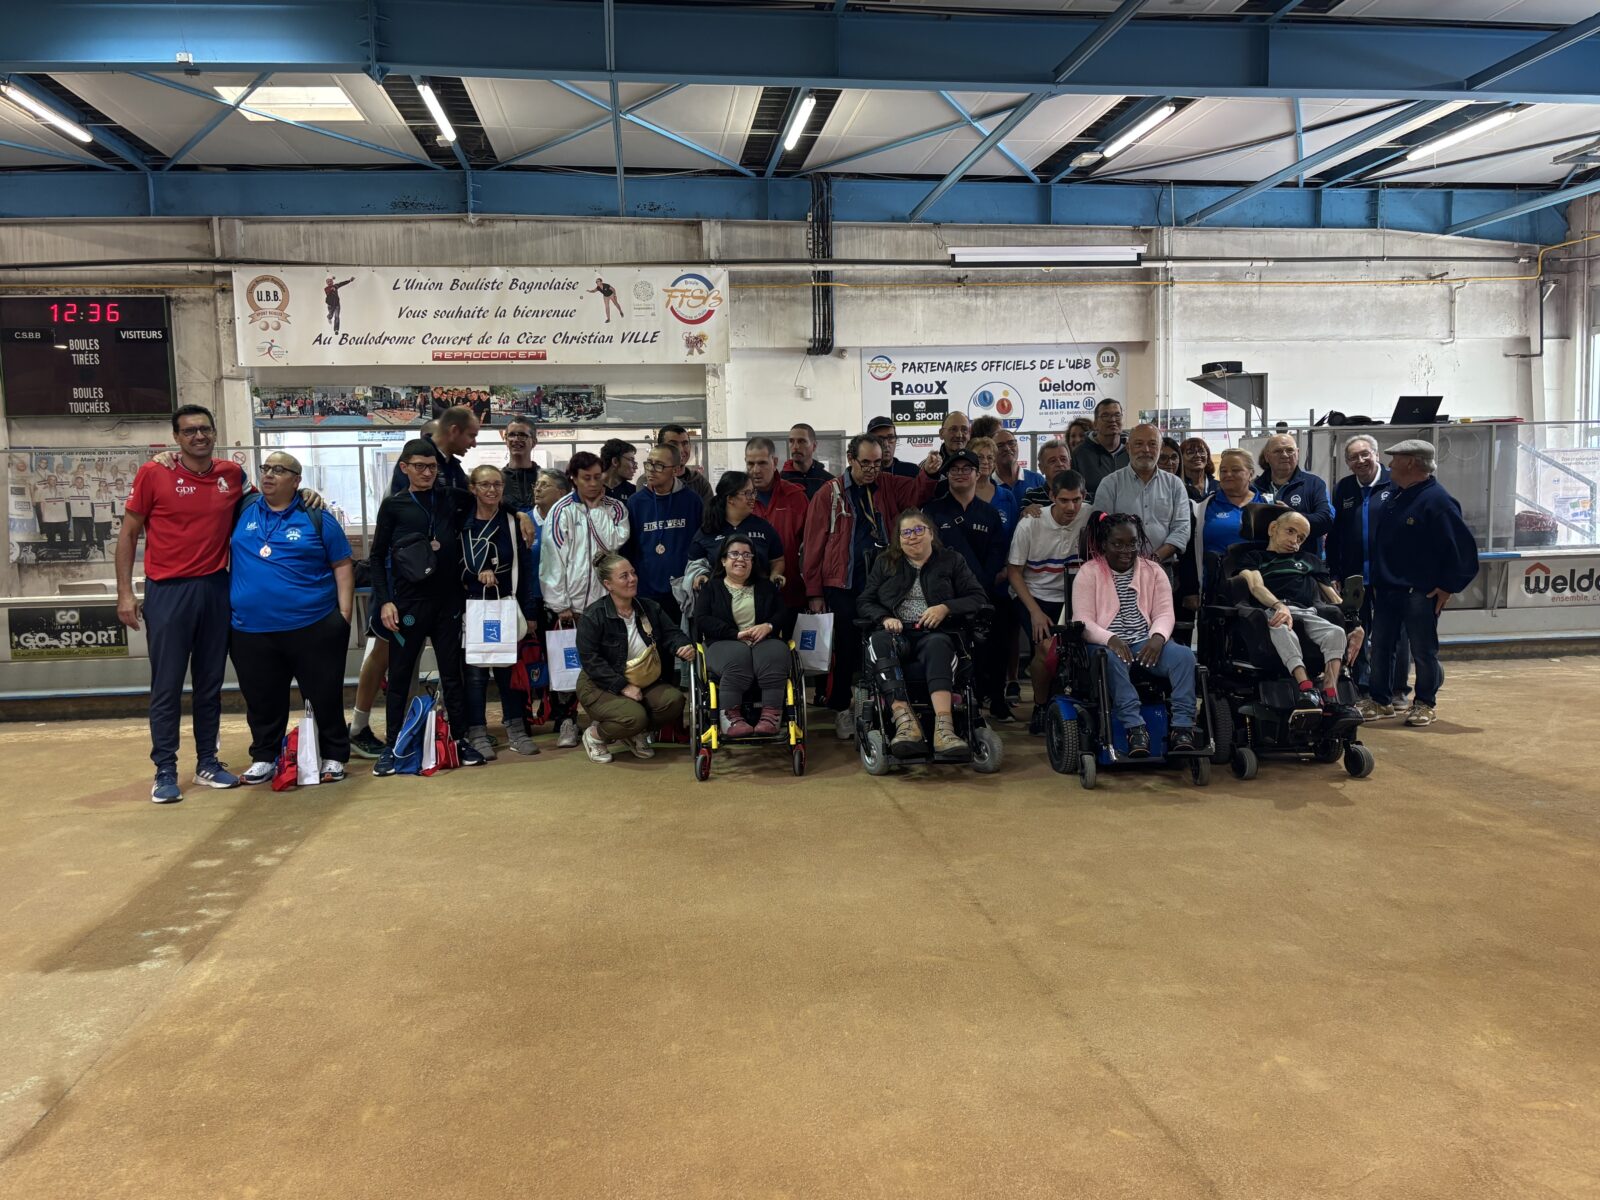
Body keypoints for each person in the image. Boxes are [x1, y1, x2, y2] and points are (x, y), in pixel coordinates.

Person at [117, 405, 249, 802]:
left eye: (205, 429)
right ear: (176, 437)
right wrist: (125, 593)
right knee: (167, 685)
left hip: (215, 589)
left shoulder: (232, 474)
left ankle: (208, 762)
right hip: (168, 592)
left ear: (214, 432)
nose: (199, 437)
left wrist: (306, 492)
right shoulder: (154, 473)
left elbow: (268, 500)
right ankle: (165, 770)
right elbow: (128, 535)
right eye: (189, 431)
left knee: (209, 685)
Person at [229, 451, 356, 785]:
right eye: (266, 468)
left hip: (313, 625)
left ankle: (333, 755)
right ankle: (264, 756)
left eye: (280, 470)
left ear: (297, 481)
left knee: (324, 695)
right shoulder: (242, 510)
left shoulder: (316, 516)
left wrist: (343, 615)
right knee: (261, 699)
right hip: (251, 630)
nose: (270, 475)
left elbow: (342, 564)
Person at [802, 433, 939, 737]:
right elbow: (813, 545)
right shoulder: (829, 493)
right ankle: (841, 707)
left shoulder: (889, 484)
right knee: (845, 649)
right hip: (843, 584)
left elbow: (918, 494)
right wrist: (814, 592)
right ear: (850, 459)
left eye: (877, 463)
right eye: (865, 463)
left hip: (885, 585)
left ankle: (886, 705)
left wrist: (928, 472)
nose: (871, 469)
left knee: (884, 645)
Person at [1364, 440, 1479, 727]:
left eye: (1395, 460)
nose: (1389, 466)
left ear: (1412, 463)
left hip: (1419, 592)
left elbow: (1462, 549)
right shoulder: (1396, 496)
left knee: (1423, 651)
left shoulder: (1438, 501)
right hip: (1389, 588)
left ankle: (1425, 703)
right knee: (1380, 646)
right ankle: (1380, 700)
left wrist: (1448, 586)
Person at [857, 510, 991, 756]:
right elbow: (865, 601)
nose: (912, 537)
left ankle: (944, 729)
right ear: (898, 539)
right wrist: (885, 618)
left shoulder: (951, 560)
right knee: (878, 641)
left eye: (919, 530)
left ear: (931, 533)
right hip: (896, 633)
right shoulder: (886, 562)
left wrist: (945, 608)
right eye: (905, 533)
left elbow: (978, 598)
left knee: (939, 645)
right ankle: (905, 723)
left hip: (935, 633)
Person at [1072, 512, 1200, 755]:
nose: (1126, 550)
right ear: (1103, 544)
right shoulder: (1089, 572)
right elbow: (1082, 621)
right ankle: (1135, 728)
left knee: (1184, 657)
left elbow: (1164, 613)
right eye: (1117, 544)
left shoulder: (1154, 571)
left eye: (1132, 543)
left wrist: (1158, 638)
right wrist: (1110, 638)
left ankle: (1182, 727)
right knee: (1109, 658)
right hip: (1106, 644)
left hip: (1145, 641)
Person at [1230, 511, 1363, 720]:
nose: (1294, 541)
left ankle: (1329, 694)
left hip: (1306, 612)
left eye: (1300, 538)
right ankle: (1306, 688)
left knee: (1336, 633)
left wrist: (1356, 624)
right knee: (1281, 627)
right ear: (1273, 528)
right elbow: (1255, 586)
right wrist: (1278, 605)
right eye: (1290, 531)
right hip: (1271, 611)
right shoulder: (1253, 557)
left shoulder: (1309, 560)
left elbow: (1333, 597)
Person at [541, 451, 631, 748]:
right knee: (568, 663)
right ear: (574, 479)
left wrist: (595, 511)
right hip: (572, 605)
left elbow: (613, 544)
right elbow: (552, 560)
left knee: (607, 664)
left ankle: (602, 719)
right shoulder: (560, 511)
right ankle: (566, 720)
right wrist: (560, 603)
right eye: (586, 478)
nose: (593, 483)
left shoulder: (616, 509)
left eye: (597, 477)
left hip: (608, 602)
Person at [575, 552, 695, 763]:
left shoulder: (650, 607)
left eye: (633, 573)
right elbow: (591, 661)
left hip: (641, 679)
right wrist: (623, 686)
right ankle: (595, 736)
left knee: (674, 701)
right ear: (608, 584)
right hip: (599, 684)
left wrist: (683, 646)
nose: (632, 579)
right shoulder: (593, 616)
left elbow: (672, 634)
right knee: (634, 717)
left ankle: (633, 732)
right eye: (624, 576)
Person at [460, 465, 541, 760]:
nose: (492, 490)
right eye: (485, 485)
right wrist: (474, 574)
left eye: (497, 485)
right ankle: (478, 732)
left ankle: (516, 730)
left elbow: (526, 567)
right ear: (473, 488)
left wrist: (529, 610)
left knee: (509, 670)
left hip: (505, 604)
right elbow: (451, 562)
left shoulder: (512, 521)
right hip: (470, 606)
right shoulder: (461, 520)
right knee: (476, 674)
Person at [924, 449, 1009, 721]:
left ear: (978, 472)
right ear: (947, 474)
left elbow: (997, 554)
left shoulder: (990, 514)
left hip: (982, 593)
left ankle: (996, 698)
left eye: (967, 468)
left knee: (1001, 627)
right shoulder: (933, 511)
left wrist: (978, 588)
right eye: (954, 469)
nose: (961, 473)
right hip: (942, 595)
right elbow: (928, 554)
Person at [1329, 434, 1411, 707]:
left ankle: (1397, 689)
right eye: (1354, 457)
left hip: (1391, 576)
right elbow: (1336, 534)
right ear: (1348, 463)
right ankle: (1364, 688)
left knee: (1394, 634)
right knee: (1357, 631)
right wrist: (1334, 573)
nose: (1360, 461)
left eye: (1365, 454)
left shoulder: (1397, 483)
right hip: (1354, 577)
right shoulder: (1344, 488)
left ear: (1377, 455)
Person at [1007, 470, 1090, 732]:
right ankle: (1041, 706)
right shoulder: (1030, 523)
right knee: (1046, 649)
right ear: (1051, 496)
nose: (1071, 507)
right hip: (1034, 596)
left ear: (1084, 497)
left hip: (1073, 597)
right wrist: (1034, 612)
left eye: (1076, 500)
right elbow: (1014, 572)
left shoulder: (1092, 516)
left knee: (1077, 652)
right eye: (1064, 500)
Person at [694, 534, 790, 738]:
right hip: (724, 642)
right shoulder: (711, 588)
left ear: (753, 560)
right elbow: (702, 619)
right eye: (735, 554)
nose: (741, 559)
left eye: (747, 555)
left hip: (763, 640)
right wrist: (735, 634)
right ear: (723, 560)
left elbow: (783, 613)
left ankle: (770, 715)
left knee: (775, 654)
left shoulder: (765, 587)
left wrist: (768, 626)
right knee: (737, 657)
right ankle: (731, 717)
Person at [1090, 423, 1192, 566]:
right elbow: (1101, 529)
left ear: (1160, 448)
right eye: (1138, 444)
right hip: (1120, 569)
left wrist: (1155, 558)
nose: (1146, 450)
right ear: (1128, 447)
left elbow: (1182, 528)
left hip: (1163, 567)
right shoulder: (1110, 484)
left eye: (1152, 444)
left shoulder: (1174, 484)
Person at [626, 444, 702, 624]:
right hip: (646, 590)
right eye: (649, 464)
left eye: (659, 465)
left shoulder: (692, 501)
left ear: (675, 470)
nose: (651, 470)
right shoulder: (635, 503)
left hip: (683, 591)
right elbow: (629, 548)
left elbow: (699, 544)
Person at [744, 436, 810, 614]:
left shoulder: (795, 497)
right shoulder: (739, 499)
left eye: (762, 463)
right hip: (748, 600)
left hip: (792, 594)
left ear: (774, 462)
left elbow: (811, 547)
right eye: (750, 463)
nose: (755, 470)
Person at [690, 471, 786, 582]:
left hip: (759, 596)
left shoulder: (763, 527)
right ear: (730, 499)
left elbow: (777, 560)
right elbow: (694, 564)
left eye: (753, 492)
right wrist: (701, 577)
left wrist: (775, 575)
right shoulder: (709, 529)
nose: (753, 497)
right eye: (747, 493)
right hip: (719, 596)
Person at [1255, 433, 1334, 555]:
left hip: (1304, 565)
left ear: (1297, 453)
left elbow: (1326, 519)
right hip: (1264, 563)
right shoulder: (1254, 487)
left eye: (1290, 450)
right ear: (1267, 456)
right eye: (1278, 451)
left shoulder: (1314, 484)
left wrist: (1292, 517)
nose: (1285, 455)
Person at [1071, 399, 1129, 500]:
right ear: (1096, 424)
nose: (1113, 420)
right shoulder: (1080, 454)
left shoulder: (1132, 451)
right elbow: (1075, 492)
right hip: (1095, 512)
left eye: (1117, 415)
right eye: (1105, 416)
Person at [968, 437, 1020, 538]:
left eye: (990, 458)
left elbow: (1014, 537)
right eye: (979, 457)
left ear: (995, 462)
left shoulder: (1007, 497)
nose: (985, 461)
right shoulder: (962, 493)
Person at [654, 425, 711, 503]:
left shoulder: (700, 483)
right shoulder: (650, 481)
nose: (680, 450)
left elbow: (709, 514)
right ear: (659, 448)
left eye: (685, 444)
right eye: (673, 444)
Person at [994, 428, 1044, 508]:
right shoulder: (988, 484)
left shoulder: (1037, 480)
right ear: (992, 451)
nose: (1007, 448)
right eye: (1000, 446)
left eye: (1011, 443)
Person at [500, 417, 541, 511]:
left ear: (534, 442)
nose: (516, 439)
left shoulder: (544, 479)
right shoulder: (499, 480)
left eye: (522, 435)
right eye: (511, 435)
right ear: (506, 440)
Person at [1019, 439, 1072, 510]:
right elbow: (1022, 520)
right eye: (1052, 461)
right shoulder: (1031, 498)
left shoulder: (1083, 496)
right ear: (1041, 468)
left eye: (1063, 459)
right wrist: (1025, 515)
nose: (1060, 464)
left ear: (1070, 464)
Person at [783, 423, 833, 498]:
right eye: (791, 441)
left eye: (801, 441)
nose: (795, 447)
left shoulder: (828, 482)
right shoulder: (781, 482)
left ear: (814, 446)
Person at [1180, 437, 1217, 501]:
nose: (1197, 455)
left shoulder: (1218, 487)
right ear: (1181, 458)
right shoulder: (1177, 486)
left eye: (1201, 451)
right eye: (1190, 452)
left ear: (1207, 455)